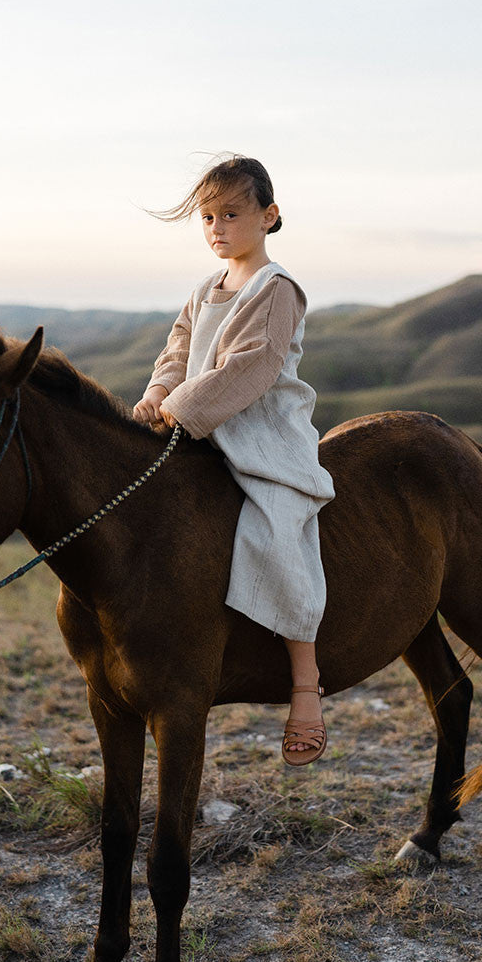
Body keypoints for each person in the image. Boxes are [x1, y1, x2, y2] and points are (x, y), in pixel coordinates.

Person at [133, 155, 336, 765]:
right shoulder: (204, 290)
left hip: (263, 432)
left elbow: (248, 367)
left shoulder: (276, 290)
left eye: (232, 213)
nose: (218, 227)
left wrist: (183, 409)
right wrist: (156, 396)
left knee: (278, 530)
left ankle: (305, 686)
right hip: (196, 427)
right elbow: (178, 350)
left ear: (269, 216)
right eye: (208, 217)